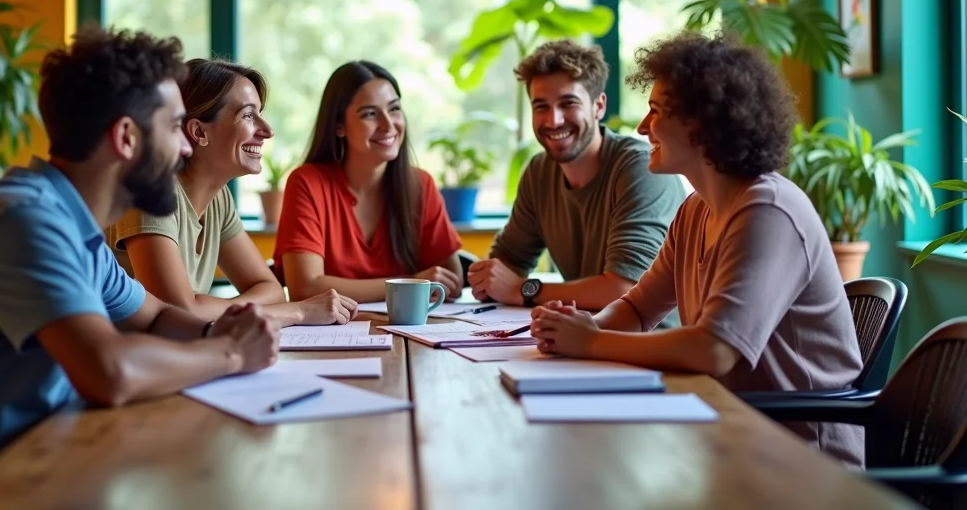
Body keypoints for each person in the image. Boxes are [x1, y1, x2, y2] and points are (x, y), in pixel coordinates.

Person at [0, 27, 279, 473]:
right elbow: (109, 372)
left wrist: (224, 330)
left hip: (24, 463)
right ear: (126, 137)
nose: (183, 148)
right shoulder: (25, 219)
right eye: (175, 127)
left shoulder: (75, 227)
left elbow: (157, 317)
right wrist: (231, 353)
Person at [531, 33, 864, 468]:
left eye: (655, 111)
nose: (641, 127)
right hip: (730, 433)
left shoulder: (768, 210)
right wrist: (580, 328)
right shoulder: (696, 211)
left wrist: (591, 341)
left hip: (800, 463)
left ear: (702, 123)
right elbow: (636, 309)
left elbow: (714, 350)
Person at [107, 58, 357, 325]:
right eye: (248, 115)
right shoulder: (150, 192)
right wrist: (298, 311)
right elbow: (178, 311)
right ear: (199, 132)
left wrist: (211, 307)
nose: (267, 131)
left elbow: (271, 291)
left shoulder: (218, 199)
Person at [468, 39, 686, 313]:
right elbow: (504, 267)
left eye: (567, 103)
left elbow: (625, 289)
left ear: (599, 106)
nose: (553, 120)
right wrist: (483, 278)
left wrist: (522, 289)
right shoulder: (539, 172)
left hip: (650, 346)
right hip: (583, 339)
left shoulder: (640, 168)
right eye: (541, 107)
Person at [275, 60, 465, 303]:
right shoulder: (307, 183)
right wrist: (410, 284)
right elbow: (305, 286)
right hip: (331, 336)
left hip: (409, 335)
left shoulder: (420, 184)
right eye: (370, 114)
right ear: (339, 126)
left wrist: (417, 283)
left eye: (394, 109)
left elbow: (452, 280)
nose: (388, 125)